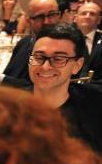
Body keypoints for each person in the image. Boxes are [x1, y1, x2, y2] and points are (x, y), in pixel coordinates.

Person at [29, 23, 102, 154]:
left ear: (77, 65)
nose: (45, 66)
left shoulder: (94, 110)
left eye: (58, 59)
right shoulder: (9, 107)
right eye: (39, 57)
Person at [0, 0, 60, 87]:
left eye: (52, 15)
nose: (46, 21)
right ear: (28, 21)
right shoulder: (24, 42)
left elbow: (39, 89)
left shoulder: (61, 52)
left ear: (59, 16)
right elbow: (10, 73)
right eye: (39, 17)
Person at [75, 2, 102, 81]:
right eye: (83, 13)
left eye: (92, 14)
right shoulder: (66, 39)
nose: (87, 16)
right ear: (76, 18)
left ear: (99, 20)